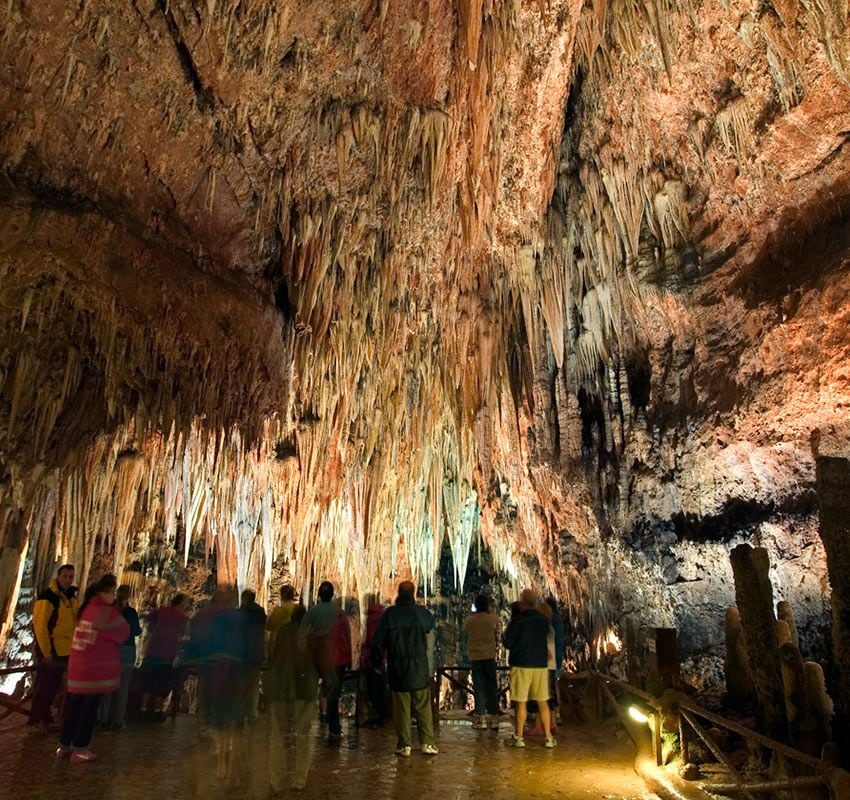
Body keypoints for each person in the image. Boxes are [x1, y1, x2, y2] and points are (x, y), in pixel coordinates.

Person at [57, 573, 129, 762]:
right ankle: (80, 749)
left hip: (78, 668)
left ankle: (64, 746)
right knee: (89, 711)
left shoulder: (85, 609)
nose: (114, 597)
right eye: (113, 592)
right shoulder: (107, 612)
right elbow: (124, 632)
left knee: (74, 709)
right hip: (94, 671)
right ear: (103, 593)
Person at [371, 581, 438, 757]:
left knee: (402, 709)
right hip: (418, 667)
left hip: (398, 667)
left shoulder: (390, 615)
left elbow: (378, 641)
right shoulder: (421, 613)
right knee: (423, 706)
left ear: (399, 593)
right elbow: (430, 624)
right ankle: (428, 743)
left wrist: (377, 662)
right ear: (413, 593)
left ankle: (405, 744)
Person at [267, 604, 319, 794]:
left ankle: (277, 778)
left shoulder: (279, 633)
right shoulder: (311, 634)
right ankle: (299, 779)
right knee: (303, 733)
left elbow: (270, 656)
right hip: (304, 688)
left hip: (280, 686)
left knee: (277, 735)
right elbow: (317, 659)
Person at [28, 563, 79, 733]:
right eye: (65, 576)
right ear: (58, 576)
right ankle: (36, 721)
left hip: (65, 650)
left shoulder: (70, 598)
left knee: (54, 686)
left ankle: (46, 718)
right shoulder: (48, 597)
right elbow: (40, 625)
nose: (68, 580)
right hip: (51, 649)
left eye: (71, 577)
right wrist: (45, 651)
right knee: (44, 686)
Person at [503, 589, 555, 748]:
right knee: (543, 702)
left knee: (521, 702)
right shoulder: (543, 621)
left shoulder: (518, 622)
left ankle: (518, 737)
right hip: (539, 665)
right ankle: (549, 739)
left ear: (522, 603)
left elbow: (508, 643)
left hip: (521, 665)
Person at [299, 581, 350, 742]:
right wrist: (348, 657)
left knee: (309, 692)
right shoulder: (339, 613)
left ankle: (303, 725)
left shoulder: (312, 612)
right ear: (332, 594)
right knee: (333, 694)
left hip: (315, 656)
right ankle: (334, 727)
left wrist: (304, 653)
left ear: (319, 595)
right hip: (335, 658)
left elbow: (301, 635)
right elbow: (346, 638)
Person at [207, 592, 247, 782]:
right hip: (236, 669)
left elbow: (212, 642)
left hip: (219, 668)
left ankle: (221, 755)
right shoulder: (241, 619)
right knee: (232, 710)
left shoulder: (219, 619)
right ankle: (229, 754)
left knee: (219, 710)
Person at [185, 590, 228, 737]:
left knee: (204, 691)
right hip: (219, 659)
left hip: (204, 657)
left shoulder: (201, 614)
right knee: (217, 691)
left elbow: (193, 631)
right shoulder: (224, 614)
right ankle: (215, 723)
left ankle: (202, 723)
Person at [98, 584, 141, 730]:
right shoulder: (131, 612)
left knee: (108, 686)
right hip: (128, 650)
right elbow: (136, 631)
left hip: (112, 649)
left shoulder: (111, 611)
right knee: (123, 688)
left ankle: (103, 719)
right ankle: (118, 720)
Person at [139, 592, 188, 719]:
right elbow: (184, 635)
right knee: (161, 684)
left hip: (151, 652)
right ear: (181, 604)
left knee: (147, 683)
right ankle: (157, 710)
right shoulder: (181, 617)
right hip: (166, 655)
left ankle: (143, 710)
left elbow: (147, 618)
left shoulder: (160, 611)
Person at [464, 593, 500, 730]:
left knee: (478, 687)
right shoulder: (492, 618)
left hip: (476, 657)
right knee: (491, 687)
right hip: (490, 656)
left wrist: (472, 614)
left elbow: (465, 630)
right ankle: (495, 718)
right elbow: (498, 624)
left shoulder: (470, 620)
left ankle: (481, 718)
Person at [359, 595, 388, 728]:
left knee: (372, 689)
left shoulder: (372, 622)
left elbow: (371, 641)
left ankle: (375, 716)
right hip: (381, 660)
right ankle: (381, 715)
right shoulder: (382, 620)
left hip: (372, 661)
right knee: (380, 689)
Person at [239, 588, 267, 722]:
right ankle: (252, 713)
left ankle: (240, 711)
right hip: (257, 652)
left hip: (242, 652)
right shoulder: (261, 612)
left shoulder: (241, 612)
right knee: (254, 684)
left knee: (241, 683)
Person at [266, 584, 298, 654]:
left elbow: (268, 626)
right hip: (293, 644)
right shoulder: (298, 609)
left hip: (278, 645)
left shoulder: (278, 610)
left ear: (282, 596)